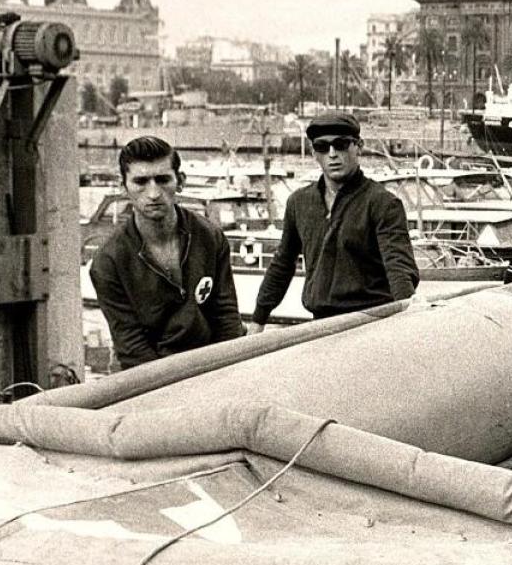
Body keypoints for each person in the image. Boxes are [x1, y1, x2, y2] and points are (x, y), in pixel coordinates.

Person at [89, 135, 244, 370]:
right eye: (141, 182)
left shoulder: (210, 237)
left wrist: (227, 372)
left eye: (162, 180)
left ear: (180, 181)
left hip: (213, 367)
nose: (153, 193)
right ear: (123, 187)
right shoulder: (109, 262)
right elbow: (132, 346)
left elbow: (226, 317)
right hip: (153, 377)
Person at [251, 110, 417, 328]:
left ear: (358, 146)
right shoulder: (299, 202)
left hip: (371, 324)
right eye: (322, 146)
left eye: (341, 144)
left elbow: (399, 267)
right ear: (314, 152)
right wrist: (258, 319)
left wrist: (407, 320)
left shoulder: (383, 203)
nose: (332, 154)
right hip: (321, 326)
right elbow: (282, 264)